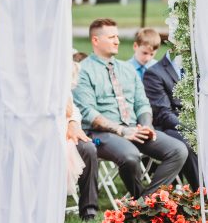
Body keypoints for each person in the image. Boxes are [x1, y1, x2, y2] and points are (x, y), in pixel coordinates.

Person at [74, 18, 187, 198]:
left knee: (178, 150)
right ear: (95, 40)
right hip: (101, 134)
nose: (117, 41)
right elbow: (88, 113)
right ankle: (141, 206)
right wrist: (122, 130)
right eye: (112, 37)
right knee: (130, 155)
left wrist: (146, 125)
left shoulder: (127, 69)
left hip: (135, 129)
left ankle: (143, 204)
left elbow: (142, 103)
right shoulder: (84, 70)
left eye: (117, 36)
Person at [143, 45, 199, 189]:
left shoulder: (197, 68)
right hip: (168, 128)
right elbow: (164, 114)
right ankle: (203, 194)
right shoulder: (154, 73)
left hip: (196, 123)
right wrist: (193, 129)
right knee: (190, 142)